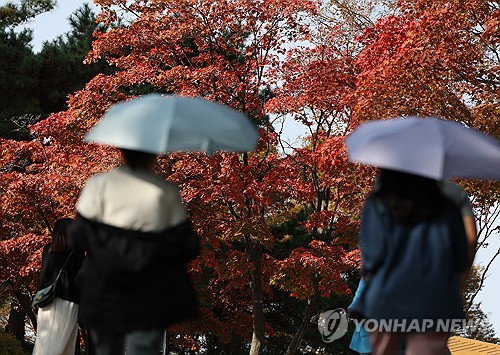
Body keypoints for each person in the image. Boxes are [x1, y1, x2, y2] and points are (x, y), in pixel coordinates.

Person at [68, 149, 199, 355]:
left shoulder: (99, 185)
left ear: (123, 152)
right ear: (153, 156)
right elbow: (187, 244)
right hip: (150, 287)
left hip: (104, 284)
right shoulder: (165, 191)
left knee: (104, 349)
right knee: (144, 349)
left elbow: (78, 233)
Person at [350, 169, 469, 355]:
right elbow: (461, 259)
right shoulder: (448, 207)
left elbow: (372, 257)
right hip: (435, 297)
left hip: (387, 294)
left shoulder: (378, 203)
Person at [33, 218, 85, 355]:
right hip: (68, 302)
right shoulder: (76, 251)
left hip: (46, 301)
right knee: (65, 346)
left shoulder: (47, 250)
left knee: (44, 345)